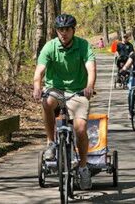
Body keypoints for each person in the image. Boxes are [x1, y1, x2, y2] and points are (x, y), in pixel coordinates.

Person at [33, 14, 96, 190]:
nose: (64, 33)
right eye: (60, 30)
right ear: (56, 31)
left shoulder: (83, 45)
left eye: (67, 29)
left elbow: (91, 67)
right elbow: (39, 71)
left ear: (73, 30)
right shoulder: (49, 47)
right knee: (47, 102)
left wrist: (90, 85)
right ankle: (52, 143)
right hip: (56, 90)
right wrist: (37, 86)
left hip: (78, 91)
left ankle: (83, 167)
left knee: (80, 129)